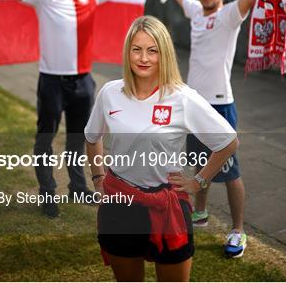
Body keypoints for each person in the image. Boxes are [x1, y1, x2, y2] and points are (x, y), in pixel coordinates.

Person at [0, 0, 166, 218]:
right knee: (45, 138)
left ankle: (78, 188)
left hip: (82, 81)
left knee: (77, 138)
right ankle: (47, 193)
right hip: (52, 82)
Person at [167, 0, 286, 258]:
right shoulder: (196, 12)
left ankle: (239, 230)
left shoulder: (229, 13)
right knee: (201, 163)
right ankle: (200, 214)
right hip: (194, 104)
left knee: (230, 172)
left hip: (220, 106)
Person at [85, 15, 238, 282]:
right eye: (136, 49)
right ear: (127, 52)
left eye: (152, 50)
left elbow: (227, 141)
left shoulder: (182, 97)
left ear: (164, 53)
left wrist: (199, 181)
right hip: (120, 204)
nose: (143, 58)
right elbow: (91, 136)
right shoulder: (110, 92)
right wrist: (98, 178)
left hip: (168, 207)